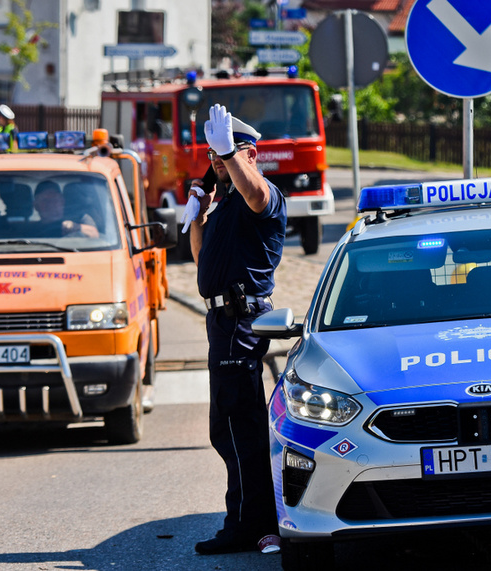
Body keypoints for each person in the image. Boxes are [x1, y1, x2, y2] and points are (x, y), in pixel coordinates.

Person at [188, 104, 286, 555]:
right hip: (221, 321)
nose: (216, 163)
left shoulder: (262, 197)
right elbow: (202, 260)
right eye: (210, 155)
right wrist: (198, 211)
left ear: (248, 154)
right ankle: (245, 519)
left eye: (224, 155)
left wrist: (230, 156)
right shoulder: (226, 205)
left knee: (240, 428)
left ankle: (253, 526)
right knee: (226, 428)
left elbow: (256, 194)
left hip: (240, 321)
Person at [33, 180, 99, 238]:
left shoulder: (80, 218)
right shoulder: (28, 231)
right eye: (45, 200)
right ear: (36, 205)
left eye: (55, 200)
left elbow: (95, 235)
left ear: (62, 201)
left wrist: (75, 227)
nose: (51, 204)